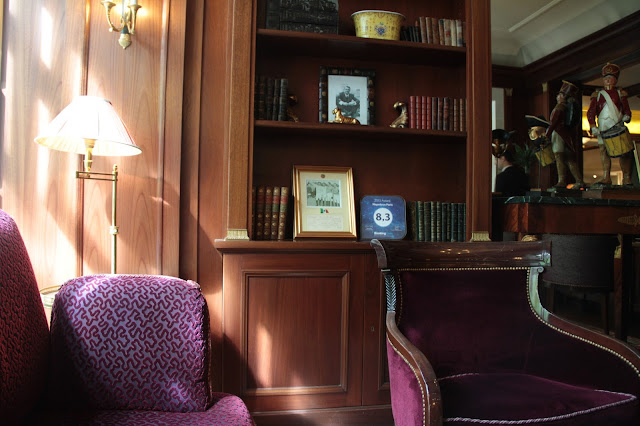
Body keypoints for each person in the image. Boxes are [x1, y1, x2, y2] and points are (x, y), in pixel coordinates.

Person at [587, 63, 633, 186]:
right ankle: (606, 176)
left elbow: (627, 109)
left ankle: (626, 177)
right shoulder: (597, 95)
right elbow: (591, 112)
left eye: (610, 78)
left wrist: (627, 116)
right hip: (603, 126)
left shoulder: (620, 93)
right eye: (605, 78)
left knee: (624, 152)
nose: (607, 80)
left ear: (615, 80)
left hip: (617, 124)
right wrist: (593, 125)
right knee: (604, 151)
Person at [545, 80, 584, 188]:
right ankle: (579, 180)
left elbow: (552, 123)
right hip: (565, 135)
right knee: (569, 159)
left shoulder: (559, 107)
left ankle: (561, 181)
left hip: (558, 134)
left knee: (559, 157)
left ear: (563, 96)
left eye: (559, 94)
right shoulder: (567, 107)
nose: (557, 96)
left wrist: (546, 135)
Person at [492, 129, 530, 196]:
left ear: (503, 158)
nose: (495, 162)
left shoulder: (501, 177)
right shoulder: (522, 174)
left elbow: (498, 198)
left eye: (496, 159)